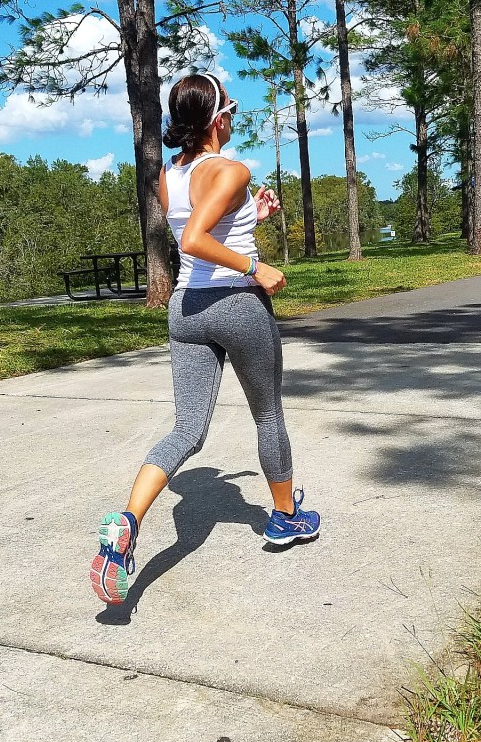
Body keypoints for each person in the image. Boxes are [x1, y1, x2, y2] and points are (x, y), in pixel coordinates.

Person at [90, 71, 321, 606]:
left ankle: (127, 523)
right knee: (268, 414)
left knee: (187, 429)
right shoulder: (233, 169)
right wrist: (256, 268)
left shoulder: (169, 174)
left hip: (186, 309)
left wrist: (250, 214)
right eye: (231, 110)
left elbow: (197, 226)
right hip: (237, 305)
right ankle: (285, 517)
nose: (234, 118)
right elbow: (196, 239)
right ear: (217, 119)